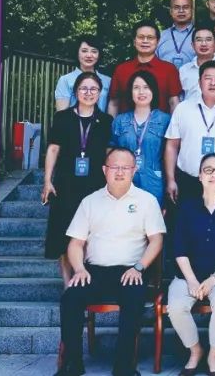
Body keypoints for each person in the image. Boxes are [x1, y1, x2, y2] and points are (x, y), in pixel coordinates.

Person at [54, 147, 166, 376]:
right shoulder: (90, 201)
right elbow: (75, 243)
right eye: (115, 167)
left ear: (134, 170)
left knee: (133, 300)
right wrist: (79, 269)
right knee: (70, 299)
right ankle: (72, 364)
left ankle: (124, 366)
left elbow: (156, 241)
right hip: (93, 272)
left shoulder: (147, 201)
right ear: (104, 170)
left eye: (125, 167)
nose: (120, 172)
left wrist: (139, 267)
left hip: (130, 272)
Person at [166, 153, 215, 376]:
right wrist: (192, 280)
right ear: (200, 176)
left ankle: (214, 355)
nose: (214, 174)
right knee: (176, 306)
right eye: (208, 170)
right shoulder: (186, 208)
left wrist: (214, 279)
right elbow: (179, 248)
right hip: (187, 274)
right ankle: (195, 351)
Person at [42, 73, 114, 282]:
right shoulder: (63, 118)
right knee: (63, 236)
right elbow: (53, 149)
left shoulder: (106, 121)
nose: (88, 93)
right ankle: (68, 286)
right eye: (83, 88)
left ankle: (85, 283)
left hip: (95, 185)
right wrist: (47, 181)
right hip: (65, 184)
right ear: (75, 92)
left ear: (100, 93)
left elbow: (109, 154)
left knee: (90, 236)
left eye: (93, 89)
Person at [164, 60, 215, 203]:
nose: (213, 83)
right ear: (199, 82)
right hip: (188, 180)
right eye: (208, 78)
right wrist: (171, 180)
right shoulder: (182, 109)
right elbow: (171, 146)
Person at [110, 71, 171, 205]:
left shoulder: (165, 120)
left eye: (146, 87)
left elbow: (171, 153)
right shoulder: (120, 121)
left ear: (153, 91)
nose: (141, 92)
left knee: (152, 215)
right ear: (130, 92)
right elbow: (111, 151)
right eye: (136, 88)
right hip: (125, 180)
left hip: (154, 180)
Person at [108, 20, 183, 114]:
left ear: (157, 41)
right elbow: (114, 104)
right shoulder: (121, 70)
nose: (145, 41)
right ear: (134, 41)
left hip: (162, 123)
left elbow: (174, 103)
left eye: (150, 37)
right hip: (126, 123)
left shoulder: (169, 69)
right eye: (141, 37)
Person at [54, 37, 112, 112]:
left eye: (94, 51)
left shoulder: (107, 81)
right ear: (77, 53)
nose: (89, 55)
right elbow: (62, 113)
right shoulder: (65, 80)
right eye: (84, 51)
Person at [178, 23, 215, 101]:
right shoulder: (184, 70)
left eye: (208, 39)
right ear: (193, 45)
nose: (203, 44)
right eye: (199, 40)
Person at [157, 0, 197, 67]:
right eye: (176, 7)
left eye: (185, 7)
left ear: (192, 10)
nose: (181, 11)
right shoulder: (160, 36)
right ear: (171, 11)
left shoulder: (200, 36)